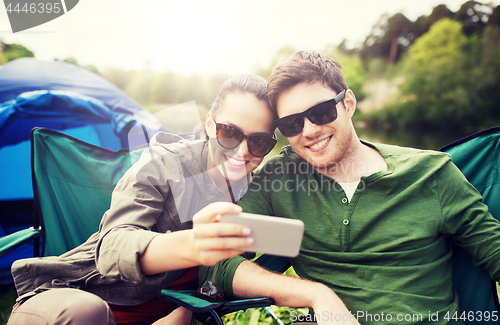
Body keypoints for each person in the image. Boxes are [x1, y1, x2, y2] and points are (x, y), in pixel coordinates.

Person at [203, 51, 500, 325]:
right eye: (292, 124)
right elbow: (215, 262)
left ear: (348, 103)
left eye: (320, 113)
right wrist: (317, 296)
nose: (309, 130)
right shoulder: (280, 179)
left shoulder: (431, 173)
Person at [7, 74, 280, 325]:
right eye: (229, 132)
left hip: (162, 315)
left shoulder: (253, 194)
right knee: (86, 312)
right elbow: (112, 248)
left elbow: (222, 275)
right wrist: (196, 244)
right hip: (74, 294)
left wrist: (182, 314)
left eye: (258, 142)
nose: (242, 151)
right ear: (210, 124)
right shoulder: (163, 164)